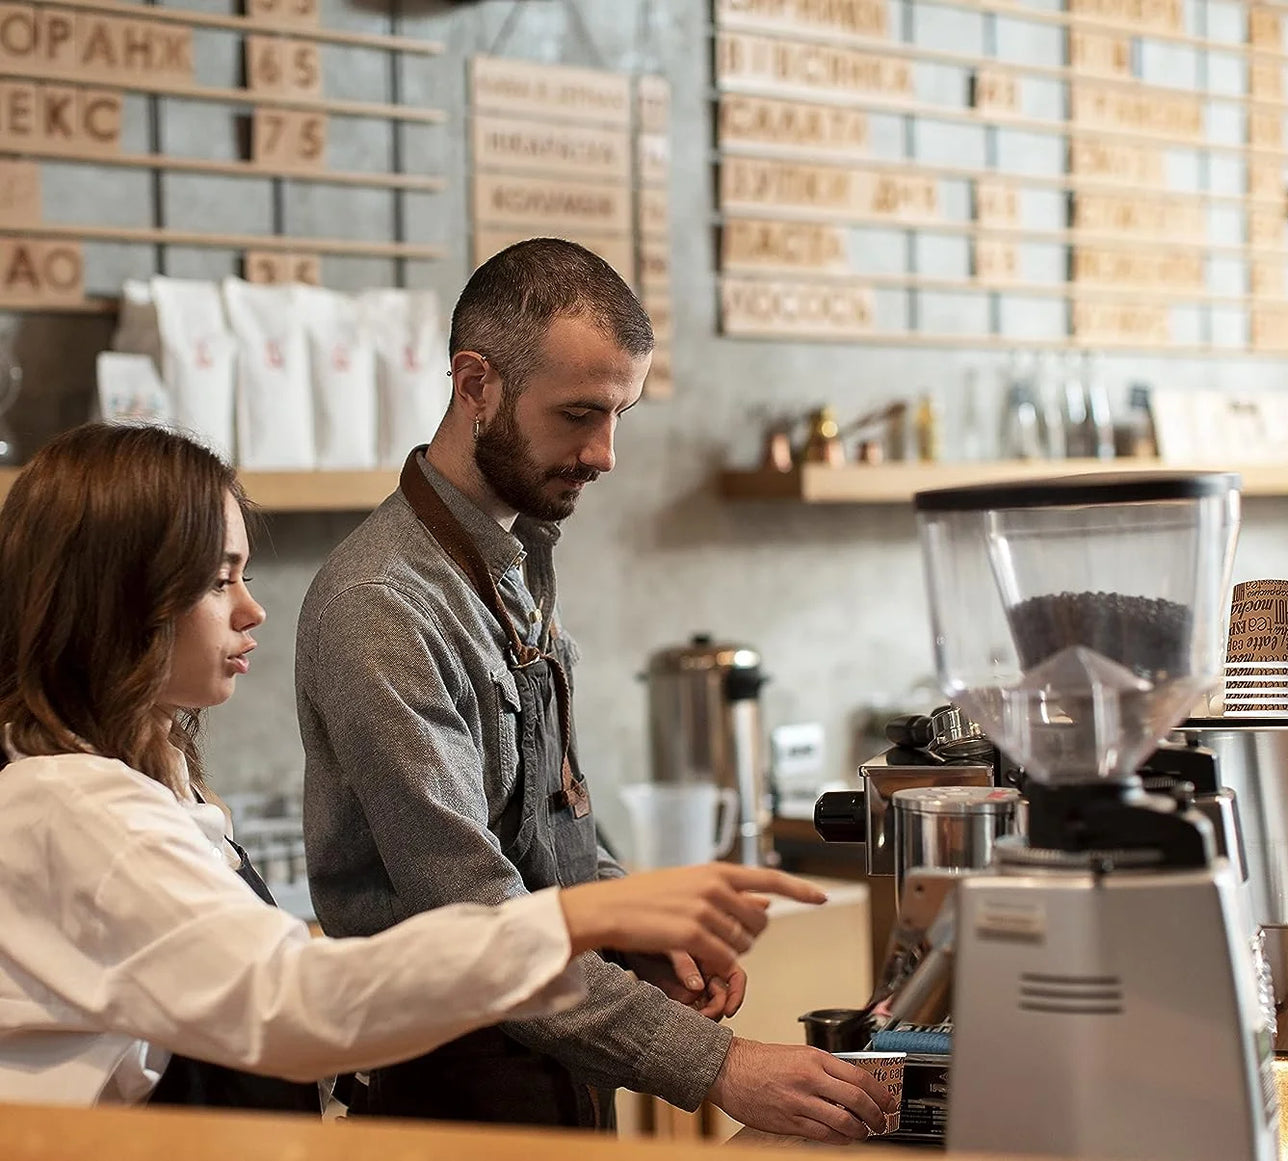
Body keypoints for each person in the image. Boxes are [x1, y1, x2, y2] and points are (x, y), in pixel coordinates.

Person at [0, 422, 829, 1111]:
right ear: (122, 602)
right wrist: (583, 917)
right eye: (220, 582)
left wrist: (607, 924)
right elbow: (293, 1004)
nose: (253, 609)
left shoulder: (141, 784)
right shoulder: (75, 809)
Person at [296, 239, 896, 1144]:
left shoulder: (518, 560)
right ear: (475, 384)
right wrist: (720, 1064)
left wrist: (631, 929)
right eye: (578, 414)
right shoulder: (381, 605)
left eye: (619, 414)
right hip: (446, 1101)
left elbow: (550, 830)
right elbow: (477, 922)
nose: (605, 453)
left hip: (559, 1070)